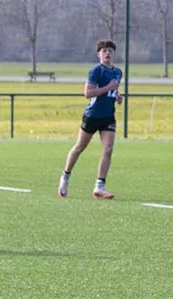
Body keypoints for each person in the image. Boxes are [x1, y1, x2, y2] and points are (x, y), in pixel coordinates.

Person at [59, 40, 123, 199]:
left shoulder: (118, 72)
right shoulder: (96, 71)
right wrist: (108, 88)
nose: (107, 53)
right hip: (92, 115)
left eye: (110, 51)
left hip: (108, 116)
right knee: (80, 147)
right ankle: (65, 177)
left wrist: (117, 96)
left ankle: (99, 186)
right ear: (99, 54)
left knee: (108, 149)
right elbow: (88, 93)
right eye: (104, 51)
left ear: (114, 54)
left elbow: (113, 89)